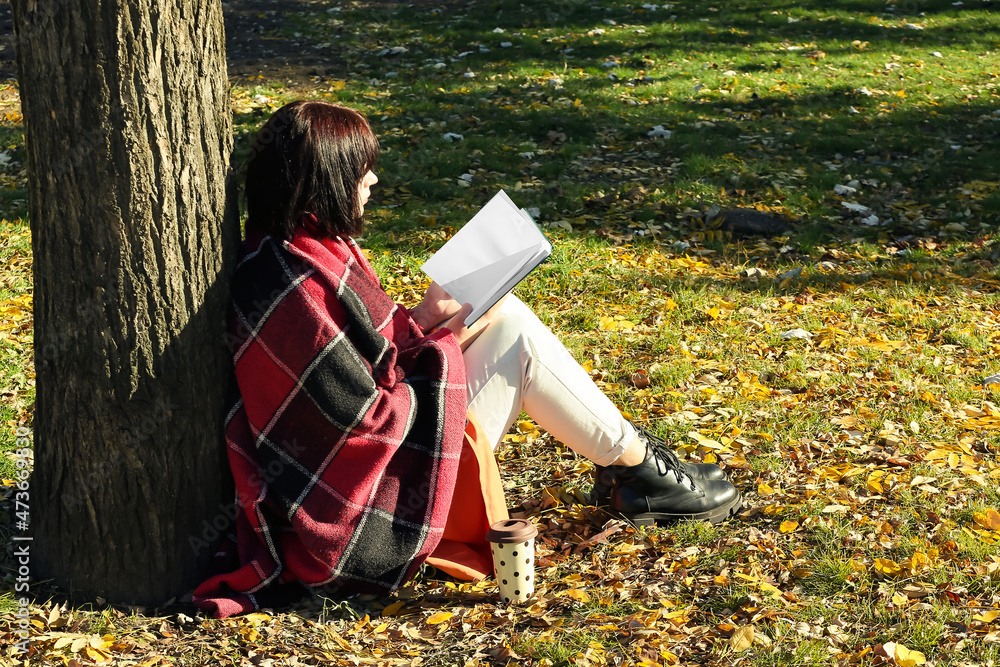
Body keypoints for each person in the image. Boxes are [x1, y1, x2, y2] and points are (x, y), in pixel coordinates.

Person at [192, 101, 741, 618]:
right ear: (326, 179)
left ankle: (636, 468)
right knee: (518, 336)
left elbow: (369, 363)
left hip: (374, 463)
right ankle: (642, 472)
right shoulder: (290, 280)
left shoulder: (306, 247)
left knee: (508, 318)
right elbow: (360, 422)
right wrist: (441, 338)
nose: (373, 181)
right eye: (362, 170)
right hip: (361, 501)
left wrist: (427, 324)